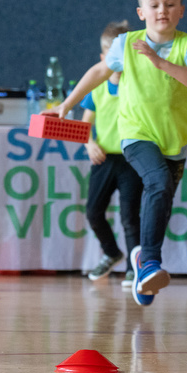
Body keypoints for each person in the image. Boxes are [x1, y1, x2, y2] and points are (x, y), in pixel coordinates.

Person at [49, 0, 187, 306]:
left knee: (161, 203)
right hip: (136, 135)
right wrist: (67, 104)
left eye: (170, 4)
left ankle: (142, 272)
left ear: (181, 10)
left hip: (175, 141)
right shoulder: (126, 44)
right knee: (157, 183)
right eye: (154, 4)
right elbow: (99, 71)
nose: (162, 10)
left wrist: (160, 62)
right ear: (141, 12)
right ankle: (149, 262)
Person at [80, 20, 143, 285]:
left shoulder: (137, 86)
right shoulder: (96, 88)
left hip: (132, 160)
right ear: (102, 58)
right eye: (110, 56)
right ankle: (111, 253)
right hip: (104, 159)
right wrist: (89, 144)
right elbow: (85, 124)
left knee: (130, 217)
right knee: (94, 212)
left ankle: (134, 268)